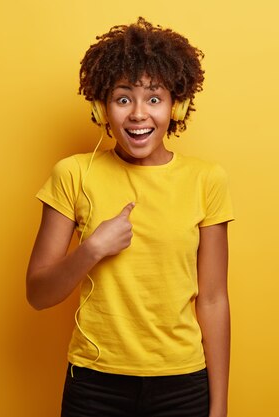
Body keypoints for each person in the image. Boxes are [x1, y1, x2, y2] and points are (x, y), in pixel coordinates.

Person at [26, 17, 234, 417]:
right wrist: (92, 249)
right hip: (94, 385)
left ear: (178, 105)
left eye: (154, 98)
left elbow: (212, 299)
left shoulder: (206, 179)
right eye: (124, 99)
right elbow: (38, 294)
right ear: (101, 107)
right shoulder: (72, 175)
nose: (138, 113)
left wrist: (219, 405)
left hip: (183, 384)